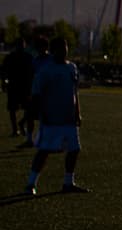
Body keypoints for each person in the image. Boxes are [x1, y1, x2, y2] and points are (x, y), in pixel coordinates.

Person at [22, 37, 87, 195]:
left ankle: (68, 182)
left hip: (68, 118)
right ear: (53, 51)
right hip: (51, 118)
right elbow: (37, 94)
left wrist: (78, 113)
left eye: (65, 47)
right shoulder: (46, 71)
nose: (64, 50)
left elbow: (74, 92)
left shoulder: (71, 67)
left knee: (74, 150)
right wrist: (41, 113)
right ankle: (31, 184)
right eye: (60, 48)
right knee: (44, 151)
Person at [3, 36, 34, 141]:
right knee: (13, 108)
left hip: (24, 86)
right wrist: (4, 82)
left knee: (28, 109)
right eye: (19, 44)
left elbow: (32, 72)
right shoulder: (10, 57)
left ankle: (20, 124)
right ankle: (15, 129)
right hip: (14, 86)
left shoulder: (28, 57)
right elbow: (4, 71)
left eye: (22, 44)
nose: (20, 46)